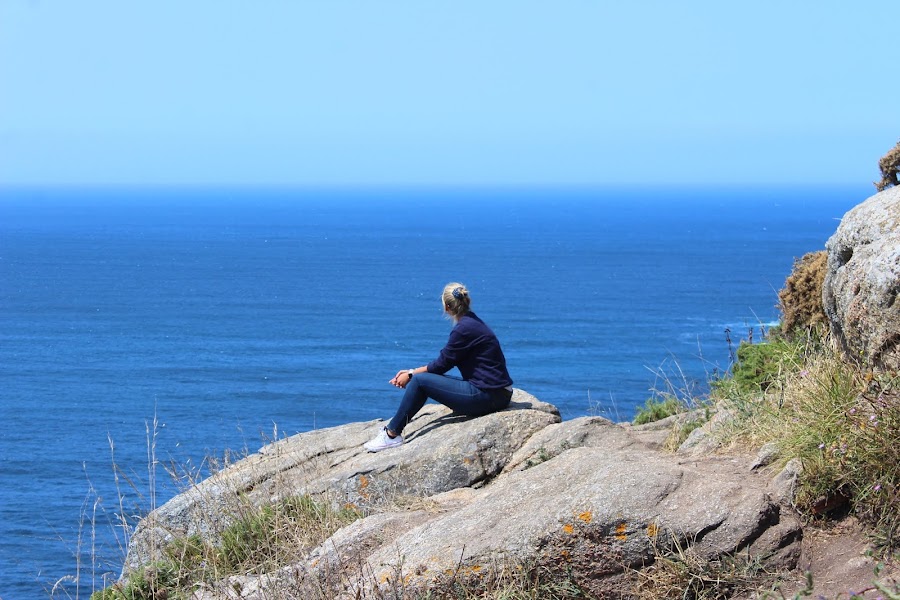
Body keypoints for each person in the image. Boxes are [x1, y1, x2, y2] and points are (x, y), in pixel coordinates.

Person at [364, 282, 514, 452]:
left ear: (446, 307)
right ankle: (392, 432)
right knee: (423, 379)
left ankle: (391, 435)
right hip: (498, 393)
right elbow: (443, 364)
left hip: (489, 396)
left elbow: (441, 365)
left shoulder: (464, 329)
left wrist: (411, 374)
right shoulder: (473, 322)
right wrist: (411, 373)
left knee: (420, 382)